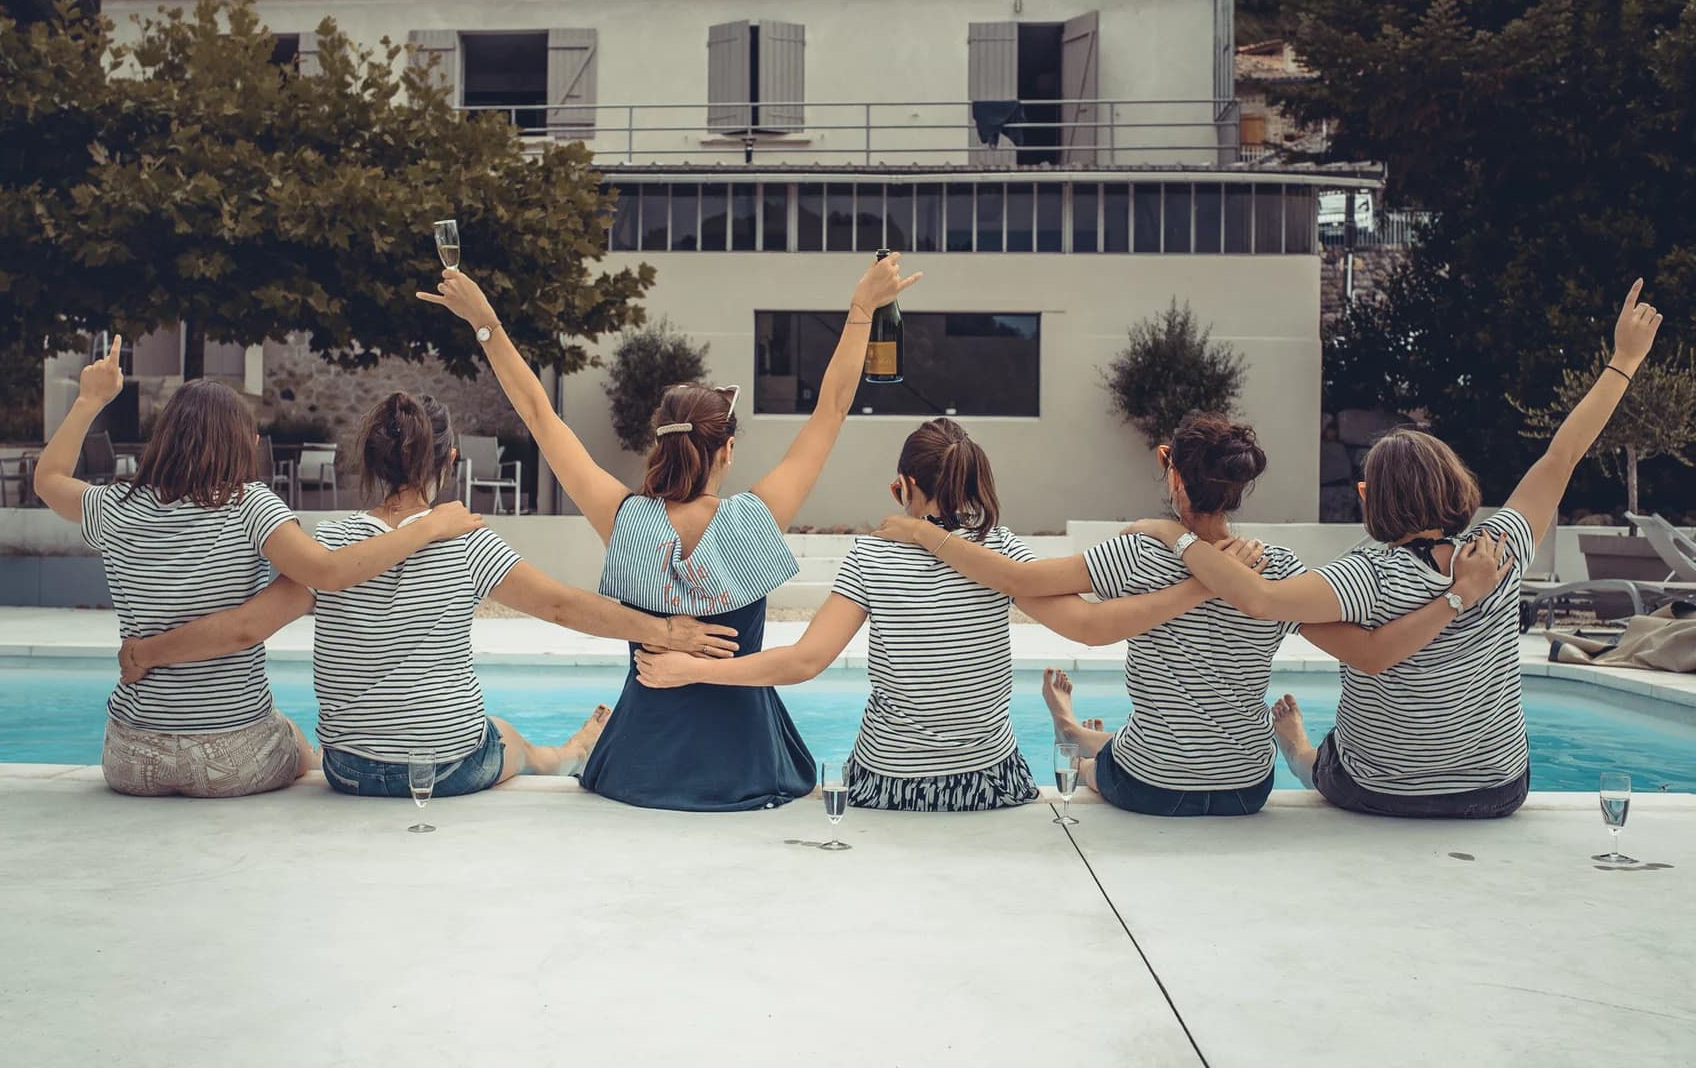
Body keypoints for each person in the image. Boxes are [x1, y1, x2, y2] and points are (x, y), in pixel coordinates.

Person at [1125, 281, 1662, 818]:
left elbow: (1260, 600)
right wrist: (1624, 359)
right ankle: (1307, 751)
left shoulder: (1362, 577)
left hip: (1382, 791)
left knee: (1330, 760)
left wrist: (1177, 534)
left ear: (1366, 497)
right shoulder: (1500, 549)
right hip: (1495, 790)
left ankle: (1300, 754)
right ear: (1455, 484)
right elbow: (1562, 455)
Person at [417, 256, 921, 811]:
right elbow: (831, 408)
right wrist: (861, 309)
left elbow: (539, 414)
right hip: (745, 764)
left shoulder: (624, 519)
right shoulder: (756, 520)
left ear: (660, 445)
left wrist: (485, 322)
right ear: (727, 450)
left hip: (639, 763)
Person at [876, 414, 1508, 817]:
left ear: (1169, 470)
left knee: (1100, 768)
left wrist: (921, 532)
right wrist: (1455, 597)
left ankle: (1072, 734)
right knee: (1134, 746)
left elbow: (1020, 581)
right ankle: (1080, 732)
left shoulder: (1137, 551)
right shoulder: (1275, 570)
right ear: (1238, 488)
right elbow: (1364, 648)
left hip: (1152, 784)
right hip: (1245, 791)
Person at [117, 391, 740, 798]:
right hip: (450, 769)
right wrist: (666, 631)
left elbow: (246, 624)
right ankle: (561, 756)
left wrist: (148, 649)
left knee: (305, 735)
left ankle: (554, 753)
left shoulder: (329, 546)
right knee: (505, 736)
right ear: (448, 459)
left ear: (367, 459)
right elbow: (561, 605)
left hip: (350, 773)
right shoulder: (466, 541)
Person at [633, 418, 1249, 811]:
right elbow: (1089, 628)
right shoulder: (999, 552)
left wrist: (692, 670)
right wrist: (1204, 583)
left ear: (902, 486)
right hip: (989, 785)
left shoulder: (872, 556)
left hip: (888, 784)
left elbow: (805, 662)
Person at [33, 341, 482, 798]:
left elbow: (47, 480)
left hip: (131, 757)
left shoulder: (115, 506)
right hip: (232, 754)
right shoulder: (249, 505)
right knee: (302, 745)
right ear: (242, 443)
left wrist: (90, 400)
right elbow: (325, 573)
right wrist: (428, 527)